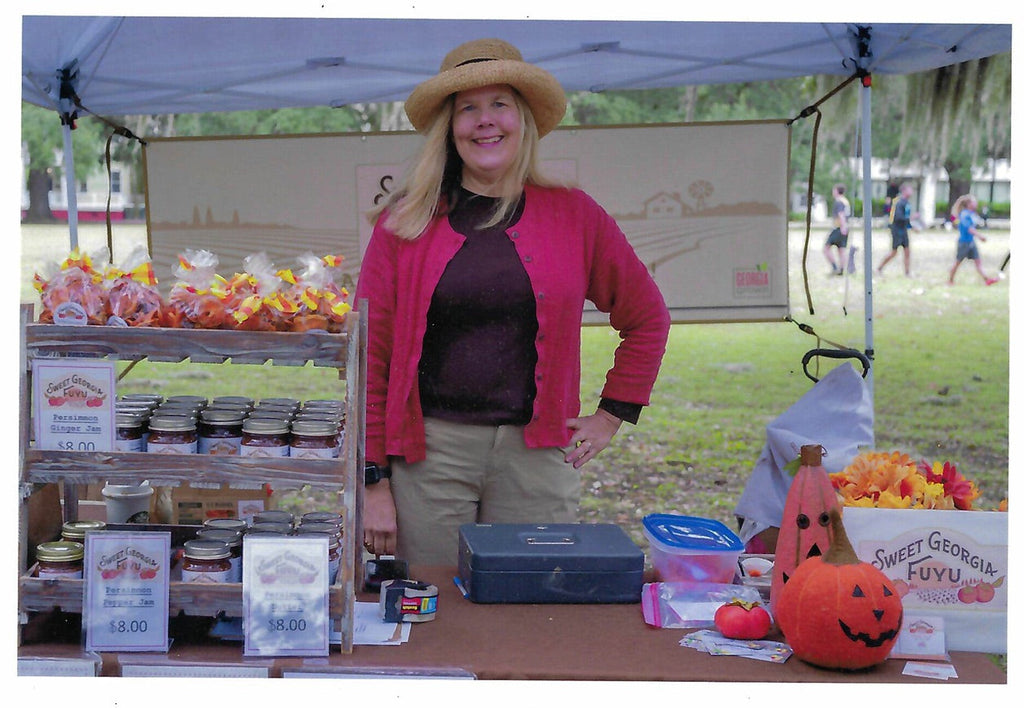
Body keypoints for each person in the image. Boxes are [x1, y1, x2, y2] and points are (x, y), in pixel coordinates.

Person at [354, 38, 671, 565]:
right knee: (435, 616)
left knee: (532, 612)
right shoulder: (404, 224)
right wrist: (372, 481)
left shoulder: (575, 215)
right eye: (468, 108)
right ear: (448, 130)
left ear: (522, 119)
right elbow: (370, 357)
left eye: (499, 103)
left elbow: (647, 318)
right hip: (429, 458)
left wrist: (612, 415)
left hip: (538, 457)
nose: (485, 121)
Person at [948, 194, 998, 286]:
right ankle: (950, 280)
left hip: (971, 242)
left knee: (978, 262)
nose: (976, 203)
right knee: (957, 262)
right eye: (974, 202)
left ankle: (987, 279)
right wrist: (980, 236)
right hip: (964, 243)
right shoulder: (964, 214)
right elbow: (969, 228)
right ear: (969, 204)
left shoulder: (971, 214)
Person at [877, 182, 916, 276]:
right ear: (904, 191)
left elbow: (906, 218)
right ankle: (879, 268)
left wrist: (911, 226)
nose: (911, 192)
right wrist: (911, 218)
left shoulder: (907, 202)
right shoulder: (898, 202)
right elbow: (898, 217)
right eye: (909, 189)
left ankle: (907, 272)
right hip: (897, 230)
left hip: (904, 230)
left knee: (907, 251)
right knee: (894, 252)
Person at [823, 183, 851, 275]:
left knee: (826, 248)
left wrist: (842, 227)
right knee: (841, 249)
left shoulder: (839, 201)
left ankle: (835, 267)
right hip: (846, 227)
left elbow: (841, 214)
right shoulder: (845, 201)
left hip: (839, 228)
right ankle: (842, 269)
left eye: (834, 190)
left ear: (837, 191)